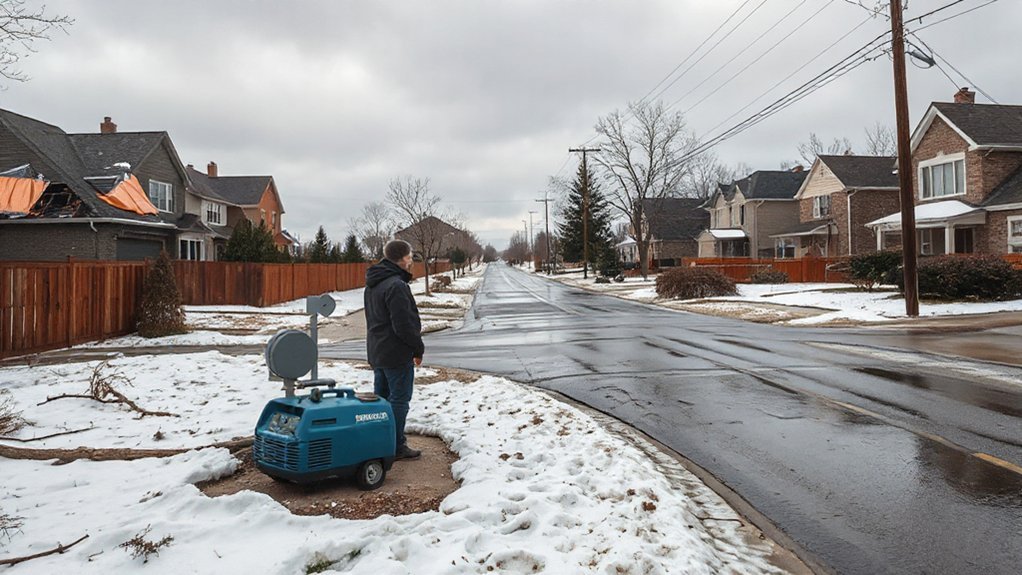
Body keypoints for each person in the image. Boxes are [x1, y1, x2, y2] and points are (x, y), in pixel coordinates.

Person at [364, 239, 423, 460]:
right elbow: (403, 325)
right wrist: (418, 348)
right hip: (396, 354)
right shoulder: (396, 285)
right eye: (410, 256)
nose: (411, 261)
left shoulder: (374, 283)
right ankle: (396, 445)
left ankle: (381, 442)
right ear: (403, 258)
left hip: (378, 351)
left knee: (382, 400)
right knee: (399, 400)